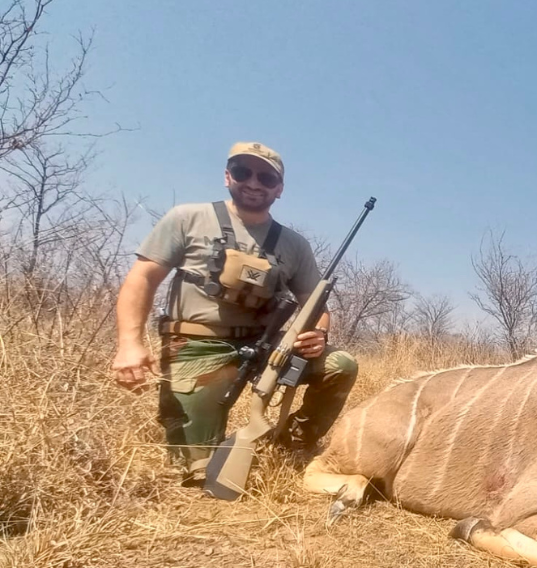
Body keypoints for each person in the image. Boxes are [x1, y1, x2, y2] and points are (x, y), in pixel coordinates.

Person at [111, 142, 358, 483]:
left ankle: (291, 444)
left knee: (340, 365)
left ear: (279, 189)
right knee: (196, 471)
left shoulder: (294, 244)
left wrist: (318, 335)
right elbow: (141, 279)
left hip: (265, 348)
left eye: (266, 177)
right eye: (244, 172)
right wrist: (129, 344)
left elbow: (316, 306)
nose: (254, 183)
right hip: (198, 348)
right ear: (228, 176)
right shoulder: (187, 218)